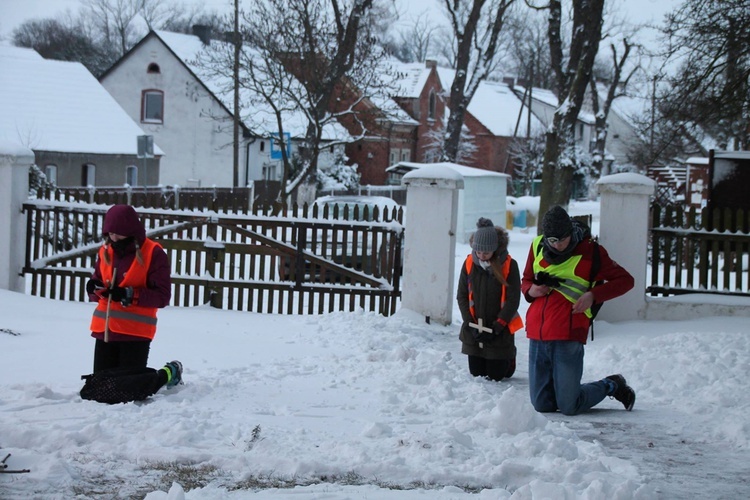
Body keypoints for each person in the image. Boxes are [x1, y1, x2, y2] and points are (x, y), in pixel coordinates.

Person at [522, 205, 636, 415]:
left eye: (561, 240)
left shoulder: (591, 251)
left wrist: (593, 296)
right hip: (537, 333)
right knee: (541, 405)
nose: (556, 245)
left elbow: (626, 281)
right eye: (551, 240)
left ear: (569, 232)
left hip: (569, 333)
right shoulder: (537, 245)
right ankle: (565, 390)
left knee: (569, 406)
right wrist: (531, 290)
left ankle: (611, 385)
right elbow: (526, 279)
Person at [81, 204, 181, 403]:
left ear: (130, 231)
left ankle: (169, 372)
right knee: (100, 391)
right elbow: (99, 279)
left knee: (129, 392)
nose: (114, 238)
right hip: (105, 331)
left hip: (135, 333)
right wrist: (94, 288)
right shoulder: (105, 250)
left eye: (118, 233)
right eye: (110, 233)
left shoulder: (153, 253)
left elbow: (162, 296)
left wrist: (129, 294)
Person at [457, 218, 523, 381]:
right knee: (476, 373)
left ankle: (509, 357)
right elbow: (462, 296)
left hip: (499, 329)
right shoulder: (469, 264)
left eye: (486, 252)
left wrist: (498, 326)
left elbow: (513, 299)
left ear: (495, 249)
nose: (481, 255)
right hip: (474, 327)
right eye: (478, 252)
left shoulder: (509, 265)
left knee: (496, 375)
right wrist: (469, 323)